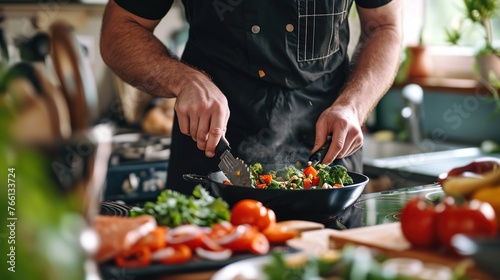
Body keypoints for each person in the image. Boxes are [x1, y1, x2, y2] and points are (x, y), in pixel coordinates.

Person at [100, 0, 402, 194]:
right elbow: (120, 30)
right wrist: (185, 80)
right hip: (214, 149)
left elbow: (384, 25)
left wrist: (354, 106)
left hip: (326, 151)